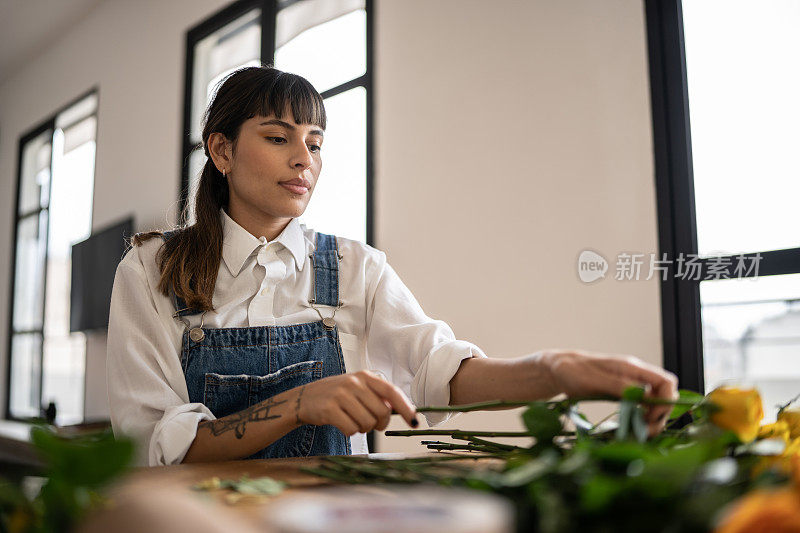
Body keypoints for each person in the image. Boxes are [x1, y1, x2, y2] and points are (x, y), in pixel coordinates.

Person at [107, 65, 678, 467]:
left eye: (316, 142)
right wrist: (297, 404)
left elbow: (441, 375)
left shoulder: (355, 266)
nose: (304, 159)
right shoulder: (152, 269)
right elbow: (157, 444)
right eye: (278, 138)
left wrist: (553, 371)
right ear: (222, 151)